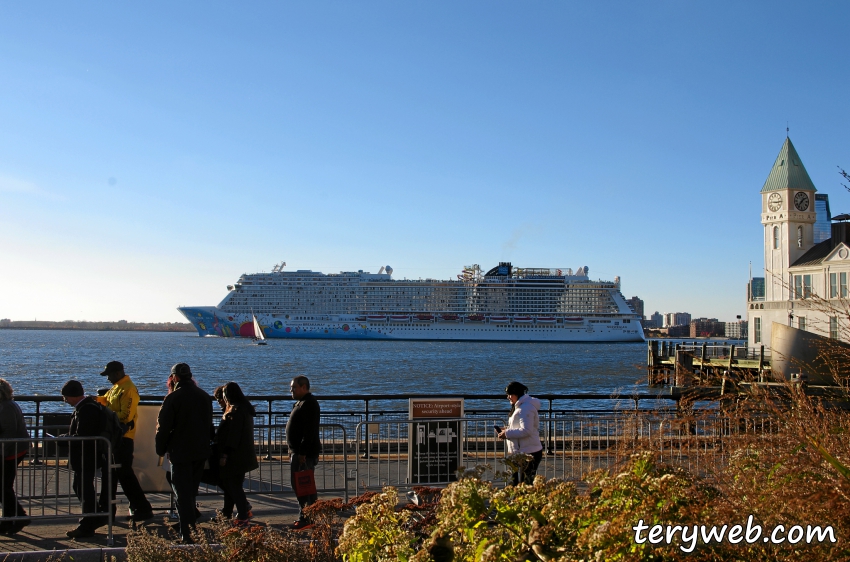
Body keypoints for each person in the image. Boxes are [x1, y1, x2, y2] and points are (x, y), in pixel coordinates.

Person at [155, 363, 213, 543]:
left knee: (181, 493)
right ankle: (190, 528)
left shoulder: (173, 398)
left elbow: (163, 428)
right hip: (200, 451)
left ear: (174, 378)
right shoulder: (204, 396)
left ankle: (186, 534)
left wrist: (160, 449)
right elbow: (209, 426)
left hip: (180, 452)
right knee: (191, 491)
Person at [96, 361, 154, 522]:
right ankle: (107, 510)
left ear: (118, 373)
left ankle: (142, 508)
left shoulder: (128, 389)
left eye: (109, 375)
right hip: (115, 438)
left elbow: (126, 416)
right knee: (111, 475)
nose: (107, 378)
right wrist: (94, 400)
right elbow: (106, 401)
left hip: (123, 439)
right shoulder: (117, 388)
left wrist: (107, 415)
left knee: (124, 475)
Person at [61, 380, 110, 538]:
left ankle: (88, 522)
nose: (65, 401)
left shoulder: (86, 409)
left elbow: (84, 435)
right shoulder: (87, 406)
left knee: (84, 488)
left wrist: (66, 439)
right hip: (87, 455)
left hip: (86, 456)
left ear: (73, 396)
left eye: (66, 397)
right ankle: (93, 518)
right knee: (81, 486)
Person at [214, 382, 258, 526]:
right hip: (243, 455)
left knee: (233, 486)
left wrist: (225, 454)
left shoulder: (235, 411)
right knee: (233, 485)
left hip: (234, 456)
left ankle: (243, 516)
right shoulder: (245, 409)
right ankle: (229, 512)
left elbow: (233, 436)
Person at [285, 375, 321, 530]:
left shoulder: (309, 404)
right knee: (304, 485)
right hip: (298, 452)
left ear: (304, 387)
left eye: (294, 387)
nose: (291, 390)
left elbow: (309, 432)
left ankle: (306, 516)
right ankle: (311, 514)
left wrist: (302, 453)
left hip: (303, 455)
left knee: (302, 485)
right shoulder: (302, 403)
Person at [497, 381, 543, 486]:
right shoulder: (521, 407)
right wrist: (506, 429)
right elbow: (520, 427)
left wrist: (507, 433)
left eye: (509, 394)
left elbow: (526, 430)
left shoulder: (525, 408)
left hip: (529, 452)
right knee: (518, 483)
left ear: (517, 394)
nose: (508, 397)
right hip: (522, 452)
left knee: (523, 484)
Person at [0, 378, 31, 535]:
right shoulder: (7, 406)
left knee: (4, 487)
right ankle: (9, 518)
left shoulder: (6, 408)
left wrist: (3, 453)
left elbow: (9, 433)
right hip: (12, 449)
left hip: (12, 451)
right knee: (4, 487)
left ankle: (18, 516)